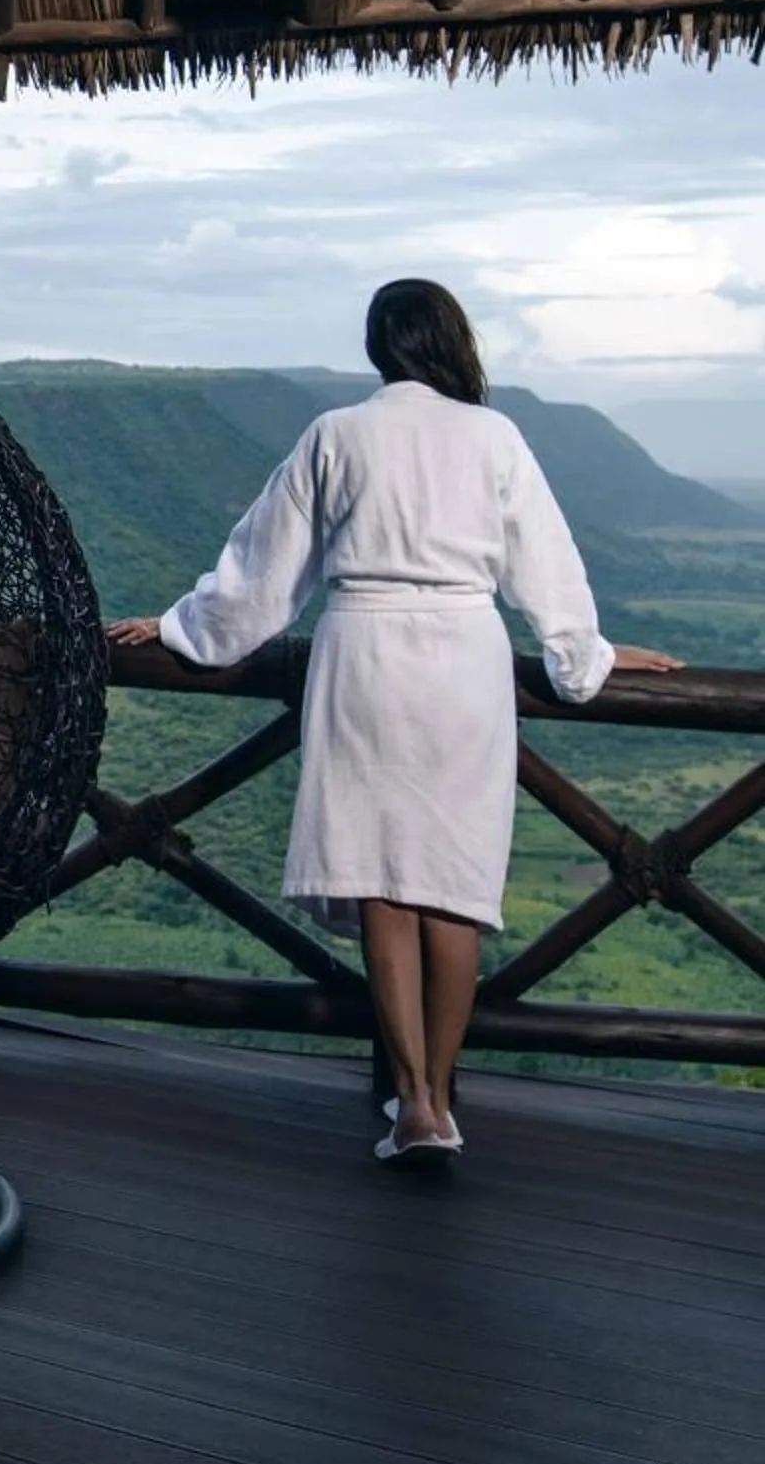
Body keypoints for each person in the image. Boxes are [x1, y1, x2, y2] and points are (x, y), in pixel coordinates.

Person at [108, 280, 682, 1165]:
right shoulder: (494, 437)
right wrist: (588, 654)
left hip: (363, 656)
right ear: (453, 340)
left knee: (378, 875)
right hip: (464, 661)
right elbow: (546, 565)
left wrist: (182, 626)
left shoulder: (336, 435)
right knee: (451, 885)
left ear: (380, 346)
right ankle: (443, 1103)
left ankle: (409, 1098)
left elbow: (262, 573)